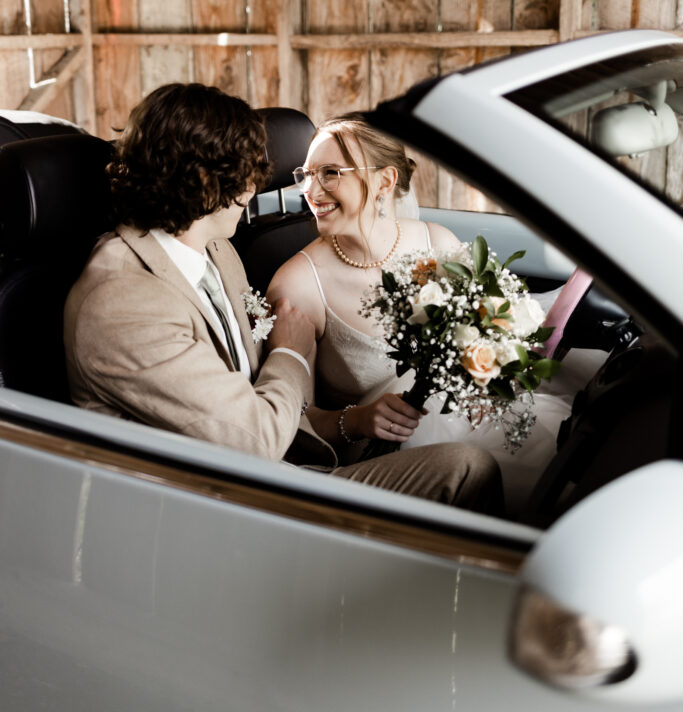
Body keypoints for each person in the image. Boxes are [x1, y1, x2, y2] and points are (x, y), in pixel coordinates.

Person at [64, 83, 502, 514]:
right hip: (224, 502)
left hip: (288, 458)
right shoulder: (124, 301)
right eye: (245, 172)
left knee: (468, 461)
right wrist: (291, 351)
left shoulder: (216, 249)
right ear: (203, 179)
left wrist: (352, 422)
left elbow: (263, 394)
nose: (255, 187)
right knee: (468, 469)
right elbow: (256, 441)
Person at [267, 113, 587, 515]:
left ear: (384, 181)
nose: (310, 191)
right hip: (392, 458)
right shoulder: (297, 284)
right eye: (306, 174)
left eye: (330, 173)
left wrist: (488, 380)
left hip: (475, 418)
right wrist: (359, 420)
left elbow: (488, 338)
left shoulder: (437, 242)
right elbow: (293, 423)